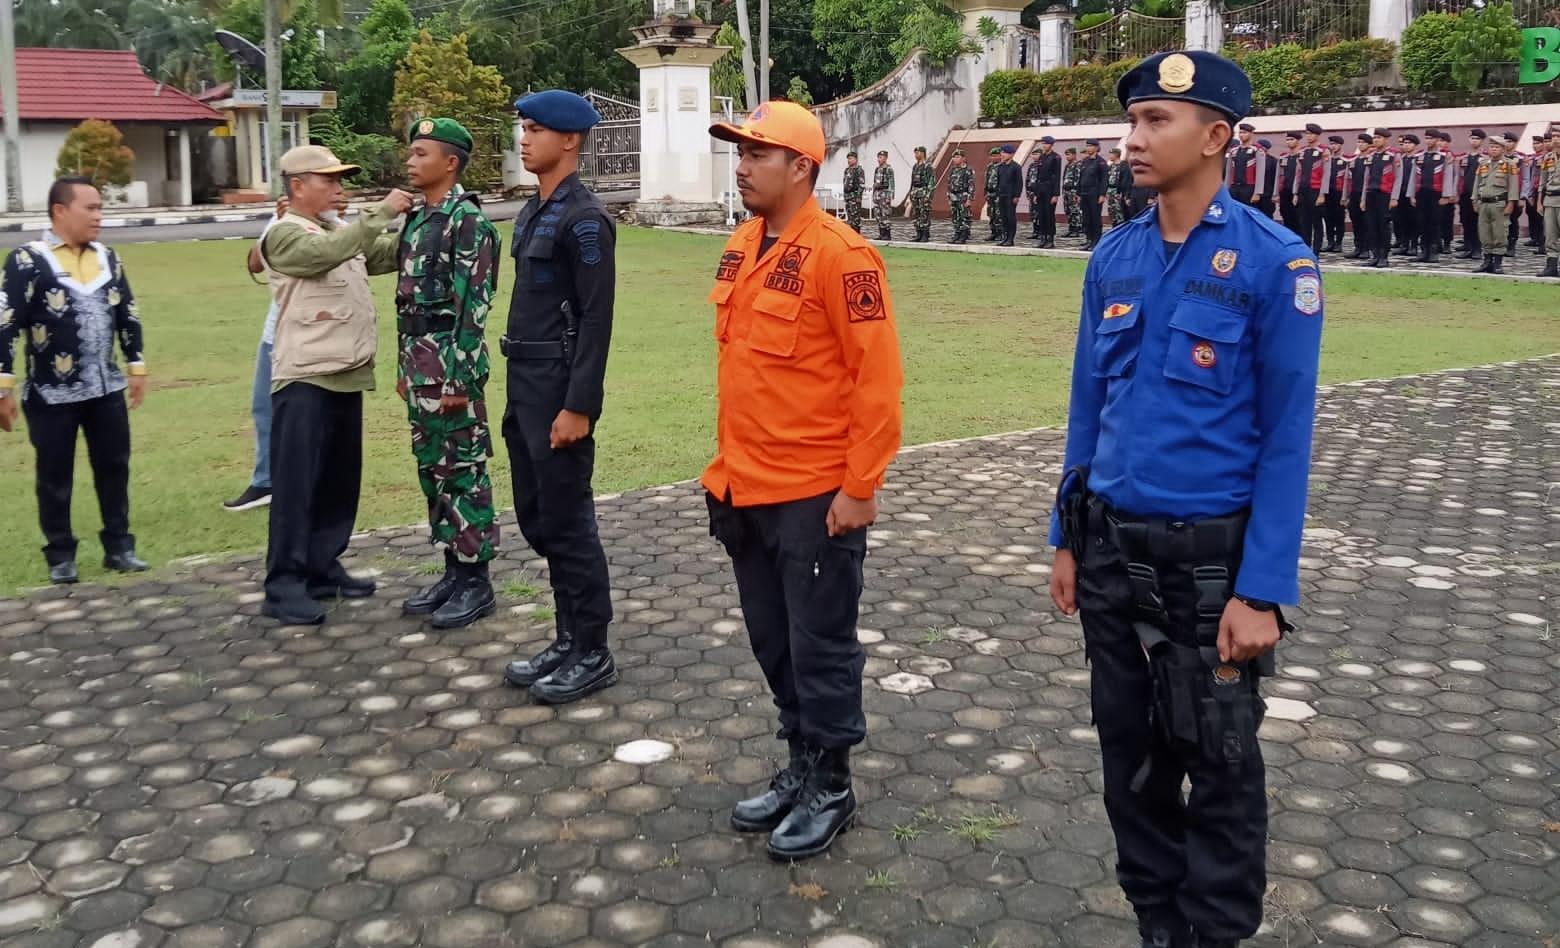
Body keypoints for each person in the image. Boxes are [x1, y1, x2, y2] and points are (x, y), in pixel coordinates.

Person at [1049, 50, 1322, 948]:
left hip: (1212, 571)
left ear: (1216, 136)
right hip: (1111, 558)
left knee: (1222, 764)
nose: (1133, 138)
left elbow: (1286, 438)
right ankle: (1157, 925)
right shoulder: (1114, 259)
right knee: (1129, 762)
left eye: (1156, 121)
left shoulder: (1274, 267)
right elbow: (1089, 405)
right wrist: (1065, 536)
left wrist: (1263, 590)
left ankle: (1213, 934)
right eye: (1131, 120)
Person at [704, 100, 903, 862]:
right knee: (772, 641)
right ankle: (800, 762)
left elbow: (876, 384)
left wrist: (860, 486)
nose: (743, 165)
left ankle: (833, 781)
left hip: (814, 496)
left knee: (821, 645)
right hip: (744, 487)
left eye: (757, 153)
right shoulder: (742, 243)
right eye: (739, 152)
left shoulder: (843, 257)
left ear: (802, 167)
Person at [499, 90, 620, 705]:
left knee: (570, 524)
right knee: (538, 517)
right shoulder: (531, 212)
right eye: (523, 128)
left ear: (569, 140)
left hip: (558, 390)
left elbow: (596, 320)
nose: (524, 138)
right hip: (523, 383)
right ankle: (567, 635)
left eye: (535, 129)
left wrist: (580, 405)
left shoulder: (585, 219)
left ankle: (592, 648)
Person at [260, 147, 413, 624]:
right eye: (328, 181)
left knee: (337, 482)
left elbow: (383, 256)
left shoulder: (335, 231)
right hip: (305, 377)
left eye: (340, 180)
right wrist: (385, 210)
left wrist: (417, 225)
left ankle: (322, 567)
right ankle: (284, 583)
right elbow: (325, 255)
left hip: (346, 373)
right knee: (296, 485)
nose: (338, 189)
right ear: (298, 186)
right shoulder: (283, 234)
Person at [0, 177, 150, 585]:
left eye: (101, 207)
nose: (99, 216)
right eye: (91, 208)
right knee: (54, 475)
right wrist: (4, 385)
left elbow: (128, 314)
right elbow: (6, 324)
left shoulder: (108, 258)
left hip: (106, 389)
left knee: (115, 468)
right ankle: (60, 554)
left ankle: (119, 546)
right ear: (60, 211)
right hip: (51, 393)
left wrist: (136, 367)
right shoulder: (27, 260)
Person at [395, 117, 503, 629]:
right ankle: (451, 571)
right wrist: (404, 366)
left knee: (462, 471)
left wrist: (459, 380)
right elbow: (406, 301)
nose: (410, 162)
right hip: (420, 368)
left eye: (420, 154)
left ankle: (476, 579)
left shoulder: (468, 222)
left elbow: (471, 307)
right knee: (431, 470)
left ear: (450, 162)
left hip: (451, 370)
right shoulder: (419, 220)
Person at [225, 196, 292, 513]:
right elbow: (254, 263)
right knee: (263, 410)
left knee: (301, 417)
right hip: (273, 333)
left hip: (302, 340)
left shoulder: (334, 228)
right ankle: (265, 481)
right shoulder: (284, 221)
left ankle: (298, 484)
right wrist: (277, 222)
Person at [1474, 134, 1521, 274]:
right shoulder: (1483, 164)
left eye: (1497, 147)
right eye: (1492, 147)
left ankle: (1498, 263)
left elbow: (1513, 185)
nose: (1493, 149)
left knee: (1500, 233)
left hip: (1499, 203)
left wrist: (1511, 203)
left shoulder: (1509, 164)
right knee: (1484, 232)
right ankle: (1486, 261)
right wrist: (1474, 199)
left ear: (1503, 149)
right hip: (1484, 203)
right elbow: (1477, 183)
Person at [1409, 129, 1456, 264]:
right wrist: (1412, 195)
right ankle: (1424, 250)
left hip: (1437, 194)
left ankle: (1434, 251)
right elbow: (1414, 176)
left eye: (1431, 138)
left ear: (1437, 140)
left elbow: (1448, 176)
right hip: (1421, 193)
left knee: (1434, 223)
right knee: (1422, 222)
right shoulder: (1419, 156)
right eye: (1426, 138)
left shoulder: (1444, 156)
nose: (1428, 141)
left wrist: (1446, 195)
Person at [1360, 127, 1400, 269]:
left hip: (1385, 194)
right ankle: (1375, 254)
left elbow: (1398, 177)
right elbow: (1366, 177)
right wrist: (1363, 198)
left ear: (1385, 139)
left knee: (1383, 225)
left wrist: (1394, 197)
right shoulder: (1371, 155)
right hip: (1371, 193)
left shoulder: (1393, 154)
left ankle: (1384, 256)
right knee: (1371, 225)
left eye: (1379, 138)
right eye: (1375, 138)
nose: (1376, 140)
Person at [1295, 123, 1328, 254]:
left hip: (1316, 190)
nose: (1308, 136)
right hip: (1303, 189)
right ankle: (1305, 249)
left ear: (1317, 135)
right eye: (1307, 134)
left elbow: (1326, 173)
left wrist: (1322, 194)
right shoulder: (1302, 151)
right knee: (1304, 221)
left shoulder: (1323, 151)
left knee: (1317, 222)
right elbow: (1298, 173)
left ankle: (1316, 250)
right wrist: (1295, 192)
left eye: (1311, 134)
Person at [1456, 129, 1486, 259]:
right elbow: (1460, 176)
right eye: (1472, 138)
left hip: (1478, 195)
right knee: (1466, 221)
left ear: (1482, 141)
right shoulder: (1464, 157)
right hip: (1465, 193)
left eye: (1477, 139)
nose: (1474, 141)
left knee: (1477, 222)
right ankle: (1468, 247)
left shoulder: (1485, 157)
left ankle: (1477, 249)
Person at [1028, 136, 1062, 246]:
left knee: (1049, 215)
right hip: (1041, 190)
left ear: (1051, 145)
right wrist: (1036, 193)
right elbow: (1038, 176)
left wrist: (1056, 194)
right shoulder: (1042, 156)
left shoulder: (1056, 157)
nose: (1044, 145)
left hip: (1050, 190)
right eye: (1043, 143)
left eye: (1046, 144)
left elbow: (1057, 177)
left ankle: (1050, 239)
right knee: (1041, 215)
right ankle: (1043, 238)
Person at [1076, 139, 1109, 250]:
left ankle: (1096, 241)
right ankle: (1089, 240)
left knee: (1095, 218)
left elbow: (1104, 180)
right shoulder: (1085, 161)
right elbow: (1081, 179)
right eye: (1087, 146)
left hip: (1095, 194)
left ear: (1096, 147)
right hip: (1084, 193)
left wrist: (1102, 194)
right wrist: (1078, 193)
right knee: (1086, 218)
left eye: (1091, 146)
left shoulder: (1101, 162)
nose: (1088, 148)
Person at [1224, 123, 1265, 210]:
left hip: (1249, 187)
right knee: (1233, 211)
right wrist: (1226, 188)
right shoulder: (1234, 150)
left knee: (1248, 212)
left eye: (1244, 133)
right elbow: (1229, 171)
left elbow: (1260, 173)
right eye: (1240, 133)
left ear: (1251, 134)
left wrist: (1257, 192)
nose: (1241, 135)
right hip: (1234, 187)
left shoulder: (1257, 150)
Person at [1345, 134, 1372, 259]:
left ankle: (1366, 248)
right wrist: (1346, 196)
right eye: (1359, 142)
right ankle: (1358, 247)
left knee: (1366, 222)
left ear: (1369, 144)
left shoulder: (1371, 159)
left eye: (1363, 142)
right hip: (1354, 194)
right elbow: (1348, 179)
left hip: (1366, 194)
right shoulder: (1354, 161)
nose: (1360, 144)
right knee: (1356, 222)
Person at [1394, 134, 1420, 256]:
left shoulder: (1418, 158)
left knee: (1413, 221)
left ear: (1415, 145)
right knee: (1401, 220)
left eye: (1409, 143)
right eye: (1404, 143)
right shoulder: (1400, 159)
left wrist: (1413, 194)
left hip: (1413, 193)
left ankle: (1413, 245)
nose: (1406, 145)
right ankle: (1404, 244)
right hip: (1400, 193)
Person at [1323, 136, 1348, 253]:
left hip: (1339, 192)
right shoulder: (1328, 159)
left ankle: (1338, 243)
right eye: (1331, 144)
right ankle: (1330, 242)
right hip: (1328, 192)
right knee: (1328, 218)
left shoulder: (1346, 159)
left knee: (1339, 218)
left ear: (1340, 145)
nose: (1333, 146)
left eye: (1335, 144)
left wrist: (1345, 195)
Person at [1540, 126, 1559, 279]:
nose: (1555, 139)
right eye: (1553, 137)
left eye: (1558, 136)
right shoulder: (1548, 158)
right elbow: (1543, 181)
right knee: (1550, 235)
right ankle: (1551, 266)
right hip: (1550, 200)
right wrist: (1540, 202)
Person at [996, 143, 1023, 246]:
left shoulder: (1016, 167)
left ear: (1011, 154)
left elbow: (1019, 183)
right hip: (1002, 195)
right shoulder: (1000, 167)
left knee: (1010, 217)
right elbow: (999, 181)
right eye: (1001, 152)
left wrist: (1017, 195)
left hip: (1011, 196)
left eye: (1004, 152)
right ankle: (1005, 237)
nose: (1002, 154)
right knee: (1003, 217)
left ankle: (1010, 239)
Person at [947, 149, 975, 245]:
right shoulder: (953, 170)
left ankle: (964, 234)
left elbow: (971, 185)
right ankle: (957, 233)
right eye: (954, 157)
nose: (955, 159)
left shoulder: (968, 170)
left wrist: (969, 198)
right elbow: (949, 183)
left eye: (957, 157)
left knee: (964, 216)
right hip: (953, 196)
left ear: (963, 158)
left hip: (963, 195)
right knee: (955, 216)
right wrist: (949, 197)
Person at [1276, 132, 1300, 235]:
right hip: (1284, 190)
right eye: (1287, 139)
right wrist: (1276, 192)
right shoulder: (1283, 157)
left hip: (1297, 191)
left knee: (1298, 217)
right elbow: (1279, 175)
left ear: (1298, 141)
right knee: (1286, 215)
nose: (1289, 142)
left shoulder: (1302, 155)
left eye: (1292, 139)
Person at [909, 145, 934, 242]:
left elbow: (931, 181)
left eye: (917, 152)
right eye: (915, 153)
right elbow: (912, 181)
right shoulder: (915, 166)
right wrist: (910, 194)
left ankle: (925, 234)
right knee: (916, 214)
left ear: (923, 153)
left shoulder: (928, 166)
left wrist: (928, 195)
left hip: (923, 192)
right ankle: (918, 233)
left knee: (924, 214)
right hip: (915, 192)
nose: (916, 154)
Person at [1106, 147, 1132, 228]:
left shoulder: (1124, 165)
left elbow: (1126, 181)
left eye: (1111, 154)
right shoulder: (1111, 166)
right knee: (1112, 211)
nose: (1109, 156)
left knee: (1119, 211)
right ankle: (1114, 226)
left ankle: (1121, 227)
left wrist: (1122, 192)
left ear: (1116, 155)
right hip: (1110, 191)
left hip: (1118, 192)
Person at [873, 150, 895, 242]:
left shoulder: (889, 169)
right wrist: (873, 194)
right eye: (878, 157)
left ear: (885, 158)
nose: (879, 159)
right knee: (878, 214)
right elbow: (874, 182)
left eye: (881, 157)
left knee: (885, 214)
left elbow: (891, 182)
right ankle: (881, 234)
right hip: (877, 194)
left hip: (884, 194)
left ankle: (887, 234)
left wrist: (891, 194)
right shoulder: (877, 169)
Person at [842, 151, 866, 234]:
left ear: (855, 159)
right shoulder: (847, 170)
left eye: (850, 158)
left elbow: (862, 184)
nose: (849, 160)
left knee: (856, 218)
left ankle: (857, 235)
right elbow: (844, 183)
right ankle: (852, 236)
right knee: (850, 218)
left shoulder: (859, 170)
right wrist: (845, 195)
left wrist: (859, 196)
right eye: (848, 159)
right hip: (848, 197)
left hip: (855, 197)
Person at [1255, 139, 1278, 219]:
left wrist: (1274, 194)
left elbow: (1276, 178)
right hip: (1254, 193)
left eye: (1259, 147)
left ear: (1265, 148)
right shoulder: (1254, 159)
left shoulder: (1273, 161)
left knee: (1267, 216)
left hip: (1267, 194)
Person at [1063, 147, 1082, 237]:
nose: (1067, 156)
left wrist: (1076, 192)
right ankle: (1071, 228)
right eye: (1066, 155)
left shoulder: (1078, 164)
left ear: (1074, 155)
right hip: (1066, 191)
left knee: (1075, 210)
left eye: (1069, 154)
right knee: (1068, 210)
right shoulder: (1068, 165)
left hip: (1073, 190)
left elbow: (1078, 179)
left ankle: (1077, 229)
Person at [985, 146, 1003, 241]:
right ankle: (993, 232)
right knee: (991, 214)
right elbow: (986, 179)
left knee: (999, 214)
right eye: (992, 156)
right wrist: (985, 191)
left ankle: (1000, 233)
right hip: (990, 194)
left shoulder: (1003, 166)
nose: (994, 157)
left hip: (998, 194)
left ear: (1000, 156)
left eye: (996, 155)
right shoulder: (990, 166)